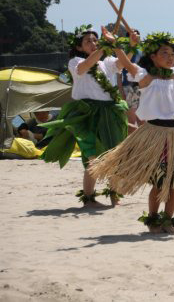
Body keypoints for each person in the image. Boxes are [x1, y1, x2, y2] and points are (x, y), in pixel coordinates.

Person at [90, 15, 174, 233]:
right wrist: (114, 44)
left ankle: (168, 219)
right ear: (153, 57)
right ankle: (152, 219)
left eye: (171, 53)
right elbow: (128, 65)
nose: (170, 57)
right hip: (154, 134)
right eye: (164, 54)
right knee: (160, 183)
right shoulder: (145, 77)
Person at [40, 24, 135, 207]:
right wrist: (101, 49)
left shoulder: (105, 62)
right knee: (92, 155)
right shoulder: (75, 62)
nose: (92, 43)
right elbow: (84, 68)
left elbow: (122, 64)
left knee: (113, 154)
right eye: (88, 41)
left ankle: (114, 196)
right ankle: (89, 199)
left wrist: (128, 47)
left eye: (95, 40)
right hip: (86, 112)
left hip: (109, 111)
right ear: (79, 47)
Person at [117, 29, 144, 133]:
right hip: (128, 87)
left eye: (138, 35)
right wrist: (120, 91)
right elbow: (119, 72)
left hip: (141, 87)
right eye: (133, 35)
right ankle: (131, 147)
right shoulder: (126, 51)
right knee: (131, 120)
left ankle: (143, 146)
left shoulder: (142, 51)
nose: (136, 37)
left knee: (142, 120)